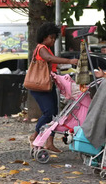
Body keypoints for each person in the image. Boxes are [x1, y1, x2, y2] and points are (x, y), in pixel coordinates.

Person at [28, 22, 78, 153]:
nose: (53, 40)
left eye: (54, 38)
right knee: (48, 113)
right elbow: (50, 58)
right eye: (51, 37)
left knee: (54, 115)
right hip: (39, 87)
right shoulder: (41, 48)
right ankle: (34, 137)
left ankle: (49, 143)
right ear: (44, 37)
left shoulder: (47, 48)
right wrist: (69, 61)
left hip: (47, 86)